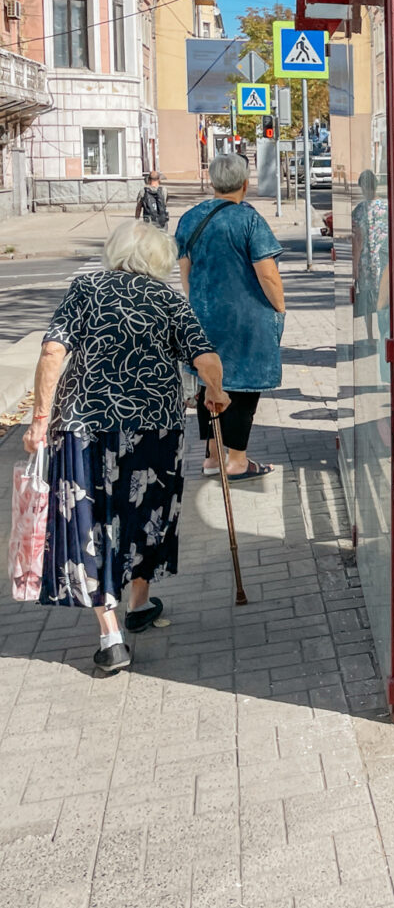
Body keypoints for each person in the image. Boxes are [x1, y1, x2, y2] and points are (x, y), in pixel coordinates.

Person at [23, 221, 230, 673]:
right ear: (159, 260)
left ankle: (111, 636)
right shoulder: (168, 299)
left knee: (90, 520)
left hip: (84, 426)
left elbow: (53, 352)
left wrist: (39, 421)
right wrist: (215, 391)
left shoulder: (86, 290)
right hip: (154, 429)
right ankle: (138, 604)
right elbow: (205, 357)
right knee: (146, 515)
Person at [175, 153, 285, 482]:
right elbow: (267, 275)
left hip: (205, 316)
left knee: (210, 382)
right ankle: (237, 460)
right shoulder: (249, 220)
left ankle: (212, 457)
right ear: (245, 184)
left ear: (212, 182)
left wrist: (197, 305)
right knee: (243, 386)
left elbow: (185, 272)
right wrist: (280, 307)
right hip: (246, 318)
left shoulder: (190, 218)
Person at [350, 169, 389, 345]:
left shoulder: (359, 210)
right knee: (383, 299)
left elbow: (357, 240)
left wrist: (354, 266)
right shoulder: (387, 207)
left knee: (367, 299)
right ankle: (384, 334)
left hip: (366, 262)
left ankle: (370, 336)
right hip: (384, 261)